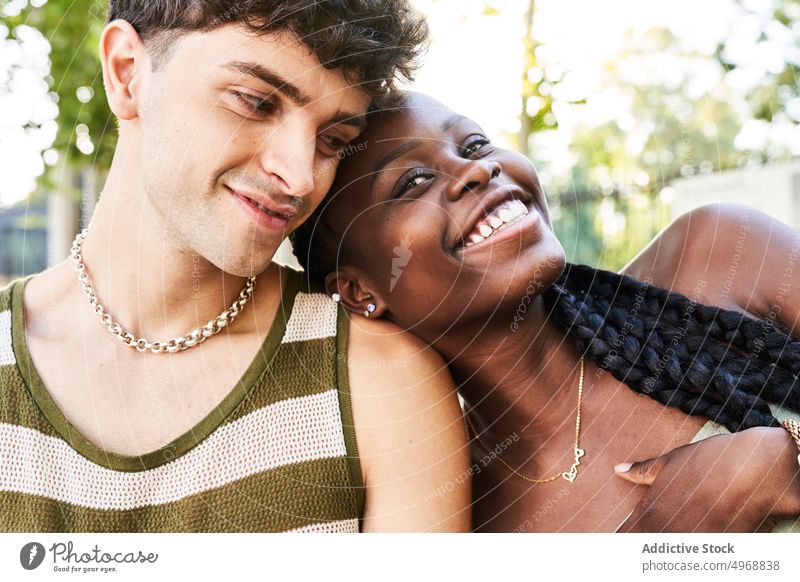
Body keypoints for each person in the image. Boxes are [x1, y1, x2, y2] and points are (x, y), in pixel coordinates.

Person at [0, 4, 471, 532]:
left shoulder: (380, 384)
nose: (297, 176)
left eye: (332, 140)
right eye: (255, 102)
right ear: (128, 72)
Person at [291, 92, 800, 532]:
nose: (476, 170)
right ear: (358, 292)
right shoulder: (458, 523)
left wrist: (780, 461)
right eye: (414, 182)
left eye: (473, 145)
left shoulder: (718, 254)